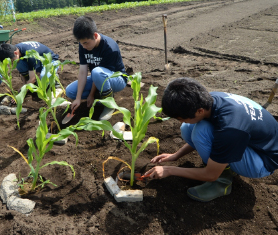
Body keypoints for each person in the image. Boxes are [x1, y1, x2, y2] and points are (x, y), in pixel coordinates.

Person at [145, 77, 278, 202]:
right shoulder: (211, 99)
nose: (180, 121)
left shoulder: (230, 129)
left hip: (262, 161)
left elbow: (210, 174)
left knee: (201, 131)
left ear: (199, 111)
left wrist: (169, 170)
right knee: (188, 128)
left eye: (181, 118)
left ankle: (222, 183)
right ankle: (221, 164)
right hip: (253, 142)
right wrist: (176, 156)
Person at [66, 16, 127, 120]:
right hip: (98, 77)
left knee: (97, 72)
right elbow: (82, 72)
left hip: (117, 79)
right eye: (81, 43)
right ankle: (101, 96)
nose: (84, 46)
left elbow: (99, 75)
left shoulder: (110, 47)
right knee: (70, 91)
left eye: (86, 43)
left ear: (95, 35)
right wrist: (78, 98)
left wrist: (91, 95)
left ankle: (109, 104)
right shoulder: (83, 45)